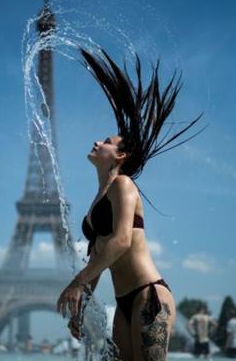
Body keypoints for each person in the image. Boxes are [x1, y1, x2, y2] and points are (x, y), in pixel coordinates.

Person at [56, 47, 203, 361]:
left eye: (106, 142)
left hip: (148, 295)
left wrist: (76, 282)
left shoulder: (123, 185)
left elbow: (121, 240)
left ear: (120, 156)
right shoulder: (96, 202)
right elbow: (99, 256)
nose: (97, 142)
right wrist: (82, 301)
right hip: (123, 304)